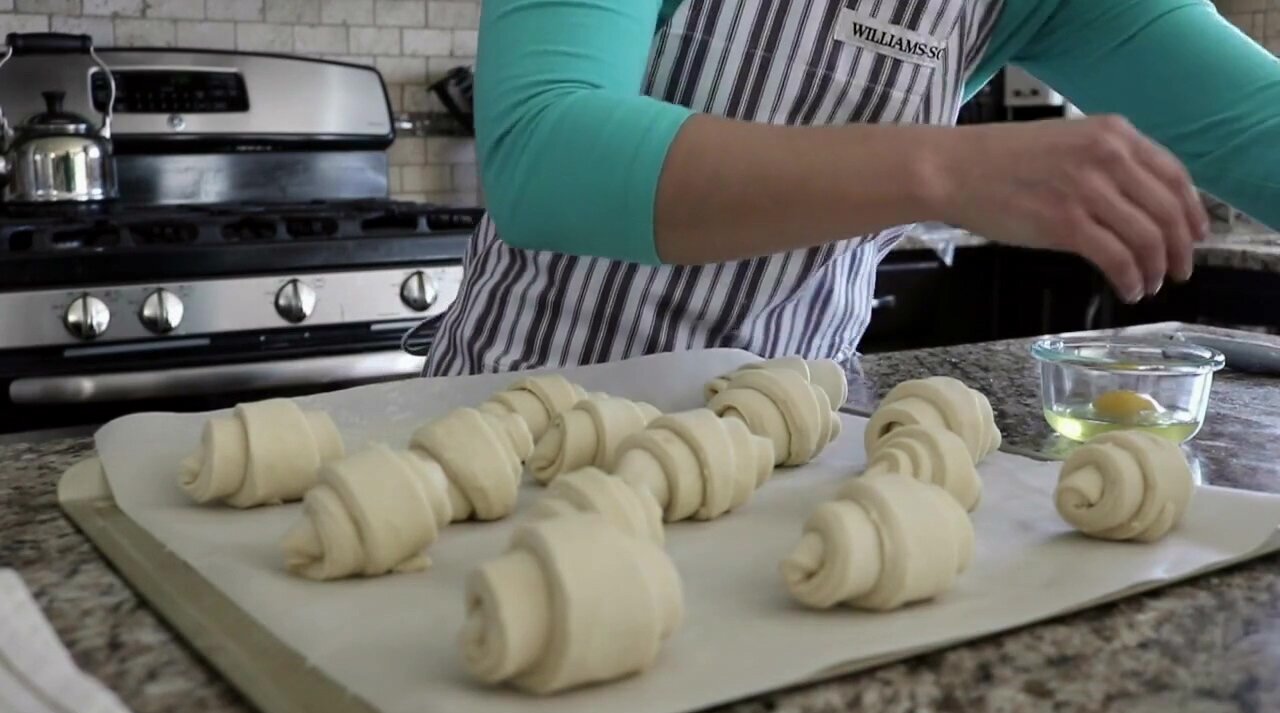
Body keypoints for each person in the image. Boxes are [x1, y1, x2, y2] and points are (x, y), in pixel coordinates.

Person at [409, 0, 1280, 376]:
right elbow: (545, 152)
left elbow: (1262, 130)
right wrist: (943, 170)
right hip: (517, 422)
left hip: (782, 457)